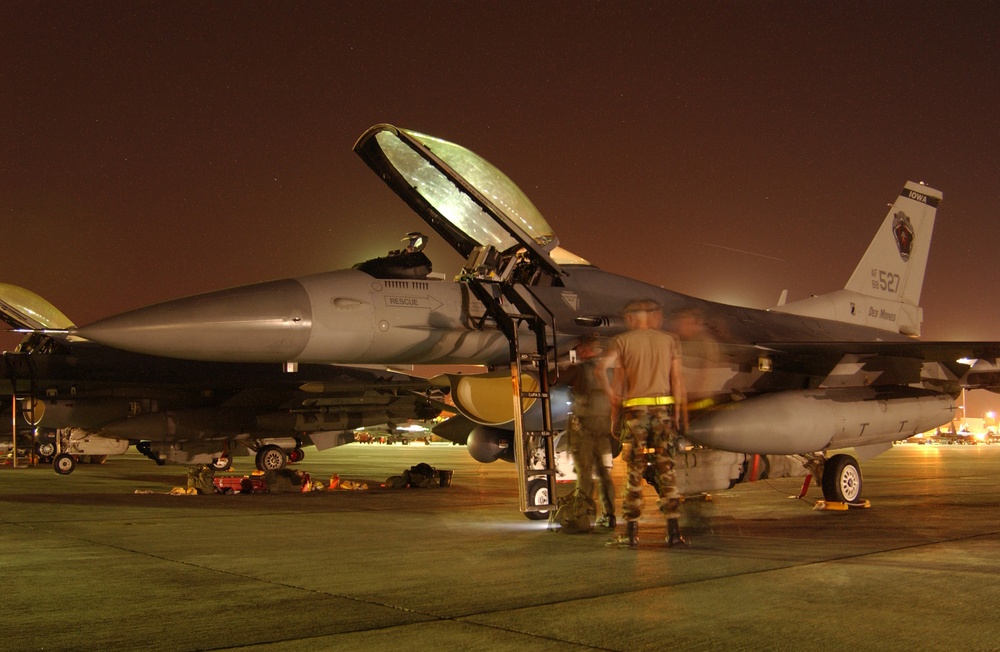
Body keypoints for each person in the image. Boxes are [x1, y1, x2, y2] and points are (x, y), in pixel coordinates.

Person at [596, 299, 689, 549]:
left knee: (634, 473)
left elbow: (604, 371)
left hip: (634, 414)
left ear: (631, 318)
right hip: (664, 414)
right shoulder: (670, 340)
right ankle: (673, 533)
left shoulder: (622, 341)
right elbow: (677, 379)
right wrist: (678, 413)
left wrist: (613, 405)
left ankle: (631, 533)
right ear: (651, 316)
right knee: (666, 470)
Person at [560, 335, 616, 529]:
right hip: (603, 430)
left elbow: (554, 380)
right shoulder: (609, 371)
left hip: (583, 429)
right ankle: (609, 515)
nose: (577, 352)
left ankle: (581, 516)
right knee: (604, 473)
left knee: (584, 473)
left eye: (579, 349)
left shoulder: (579, 370)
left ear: (586, 349)